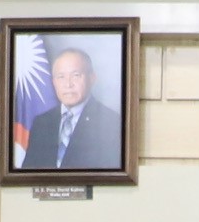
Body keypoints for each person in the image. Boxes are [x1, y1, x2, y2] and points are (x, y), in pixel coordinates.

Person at [19, 42, 122, 172]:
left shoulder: (110, 122)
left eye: (76, 75)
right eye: (61, 77)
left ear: (92, 78)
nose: (68, 84)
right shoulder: (41, 122)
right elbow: (28, 174)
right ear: (53, 82)